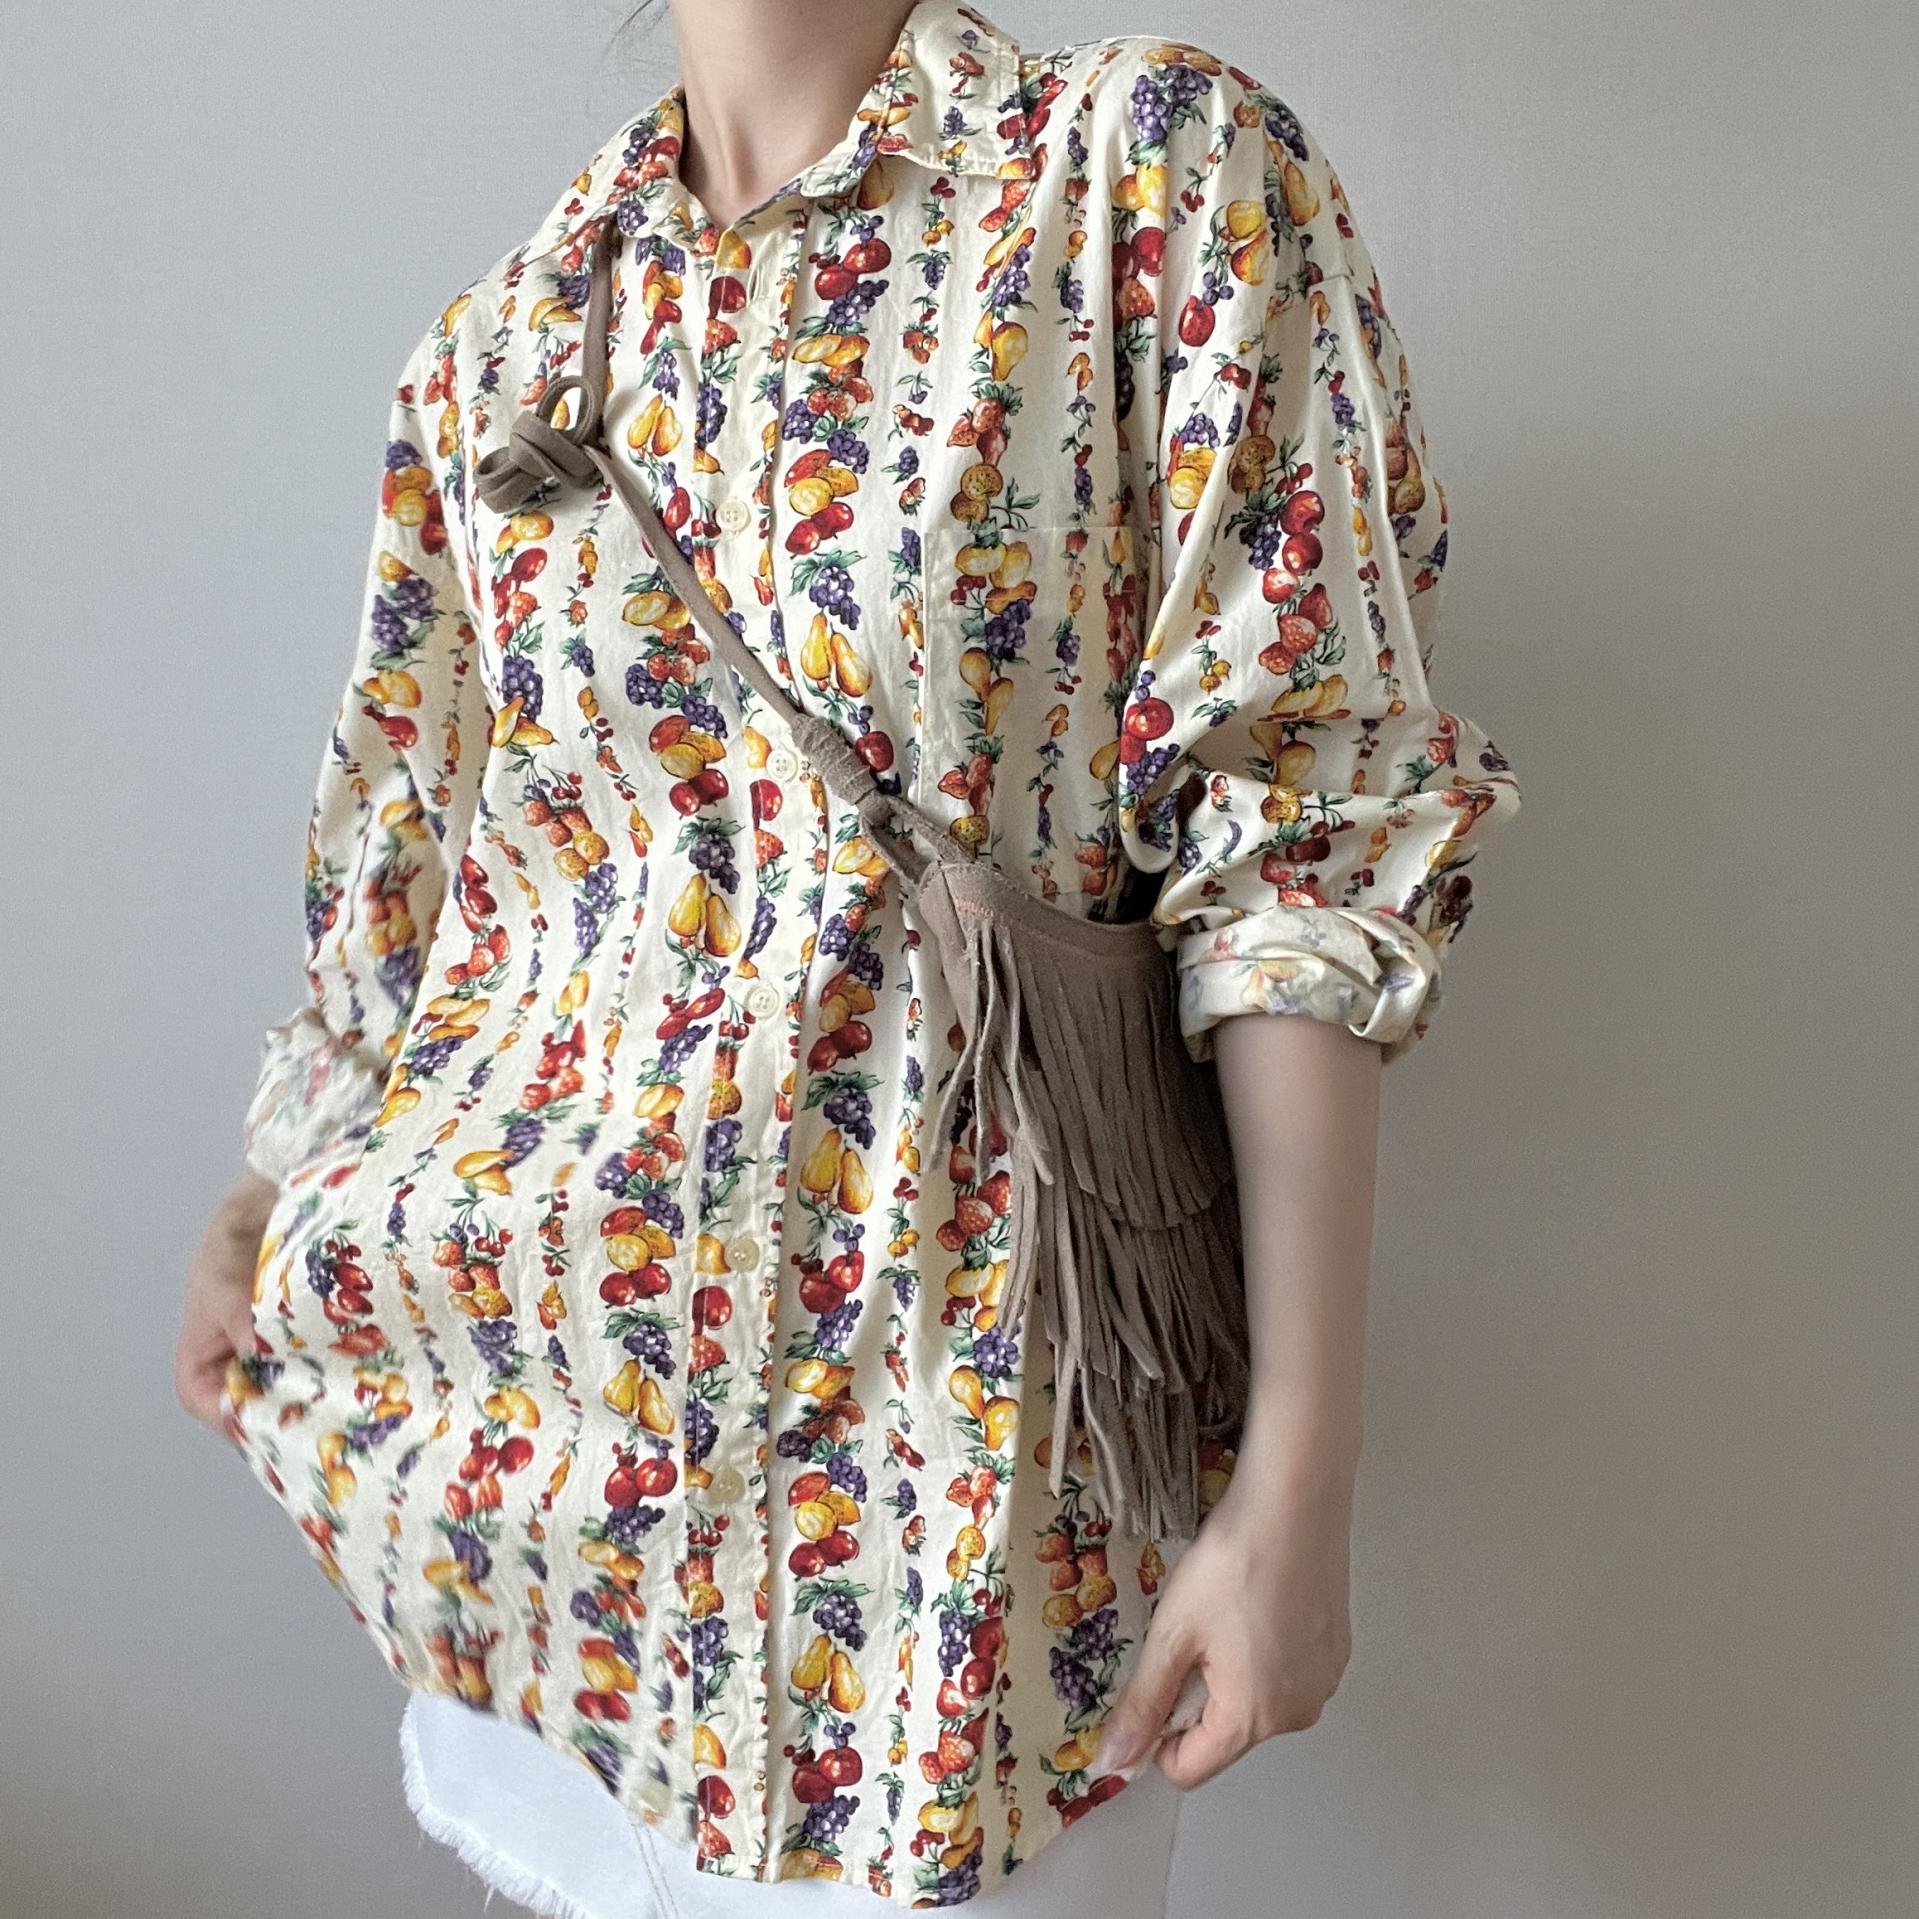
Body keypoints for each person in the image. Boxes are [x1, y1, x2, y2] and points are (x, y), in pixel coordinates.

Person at [177, 2, 1523, 1912]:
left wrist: (1298, 1474)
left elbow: (1297, 838)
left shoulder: (1140, 176)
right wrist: (270, 1194)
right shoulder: (504, 351)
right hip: (565, 1524)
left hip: (962, 1553)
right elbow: (412, 890)